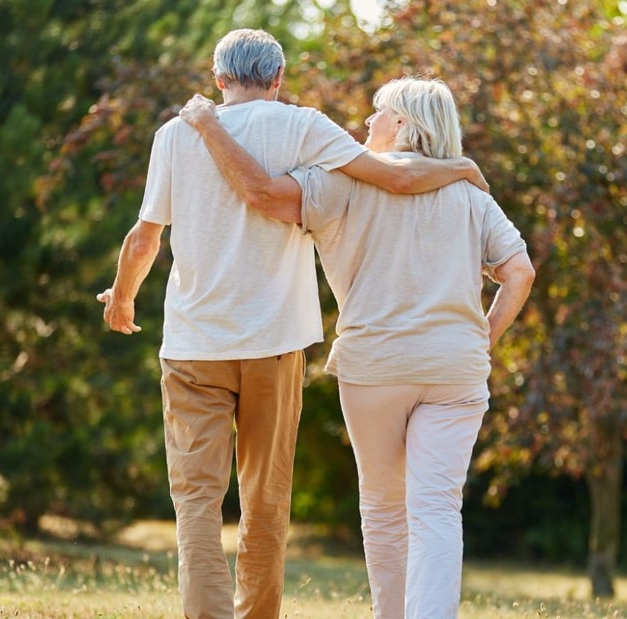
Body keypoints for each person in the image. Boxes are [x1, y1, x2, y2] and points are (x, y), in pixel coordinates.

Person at [97, 30, 486, 619]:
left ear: (218, 77)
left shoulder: (175, 135)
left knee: (196, 502)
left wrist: (122, 298)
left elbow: (144, 236)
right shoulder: (305, 126)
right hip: (274, 344)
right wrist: (463, 167)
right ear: (278, 78)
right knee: (266, 500)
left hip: (193, 346)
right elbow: (398, 177)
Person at [179, 76, 535, 619]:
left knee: (385, 507)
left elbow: (265, 196)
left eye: (378, 113)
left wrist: (208, 128)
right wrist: (481, 341)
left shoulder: (339, 184)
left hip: (376, 368)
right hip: (456, 370)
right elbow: (519, 273)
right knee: (438, 507)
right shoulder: (471, 195)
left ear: (402, 124)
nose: (367, 123)